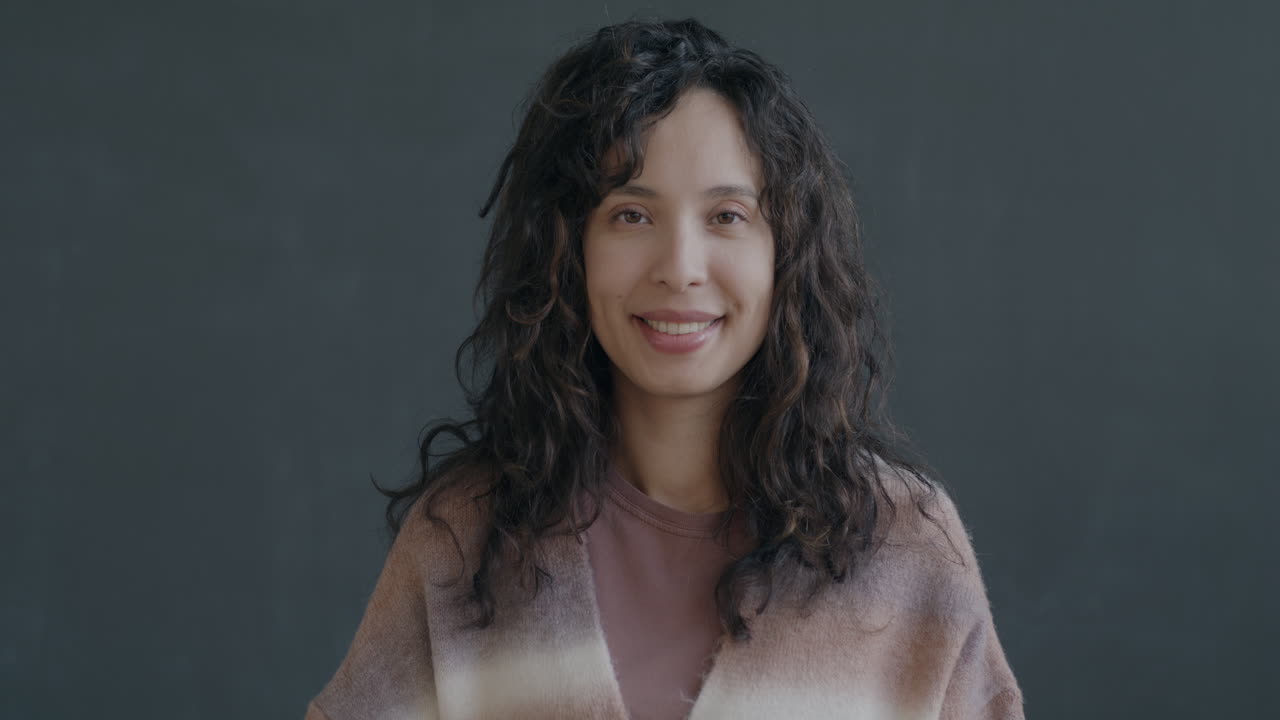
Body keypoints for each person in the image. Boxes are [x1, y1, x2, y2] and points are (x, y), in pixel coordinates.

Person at [305, 17, 1023, 720]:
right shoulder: (463, 541)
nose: (680, 269)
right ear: (567, 253)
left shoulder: (906, 549)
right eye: (631, 215)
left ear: (787, 256)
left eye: (727, 217)